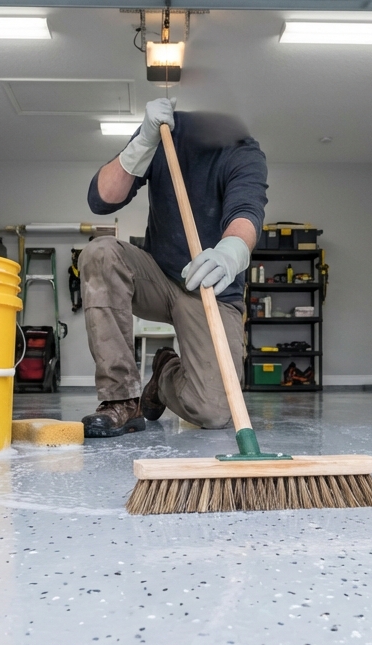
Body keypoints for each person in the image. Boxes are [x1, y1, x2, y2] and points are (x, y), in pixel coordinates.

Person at [78, 98, 269, 438]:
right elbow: (101, 200)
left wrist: (230, 251)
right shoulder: (164, 133)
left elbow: (246, 213)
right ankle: (121, 400)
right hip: (158, 276)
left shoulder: (243, 152)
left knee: (213, 411)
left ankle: (165, 373)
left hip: (212, 287)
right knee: (100, 252)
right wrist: (143, 142)